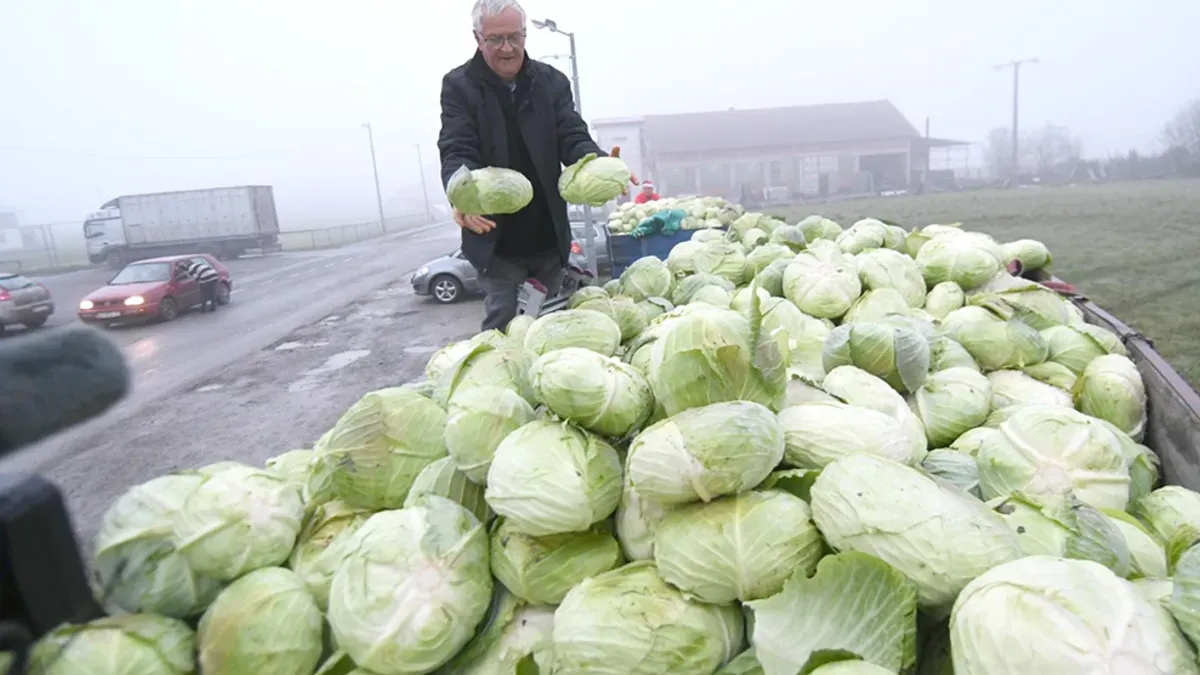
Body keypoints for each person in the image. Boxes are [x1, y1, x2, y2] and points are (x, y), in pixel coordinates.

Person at [438, 0, 631, 332]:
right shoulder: (460, 86)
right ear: (478, 38)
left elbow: (572, 135)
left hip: (547, 235)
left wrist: (600, 164)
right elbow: (457, 146)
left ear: (525, 34)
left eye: (515, 37)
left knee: (552, 325)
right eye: (496, 39)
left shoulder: (551, 82)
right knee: (504, 322)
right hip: (495, 239)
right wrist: (460, 193)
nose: (508, 48)